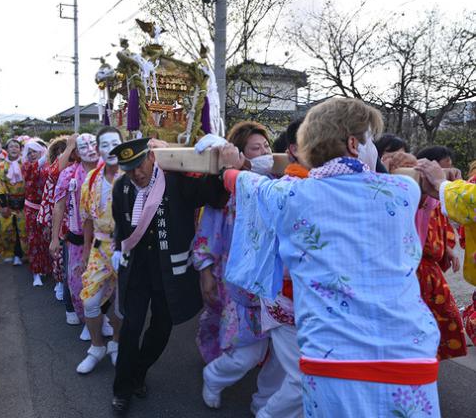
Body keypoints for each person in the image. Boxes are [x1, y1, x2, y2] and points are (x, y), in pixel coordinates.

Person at [220, 97, 441, 417]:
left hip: (331, 363)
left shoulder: (290, 194)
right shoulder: (402, 191)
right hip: (410, 358)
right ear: (353, 144)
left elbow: (239, 180)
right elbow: (390, 180)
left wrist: (229, 165)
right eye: (370, 141)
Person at [109, 137, 228, 414]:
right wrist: (117, 248)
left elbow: (214, 195)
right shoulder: (122, 188)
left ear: (152, 157)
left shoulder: (175, 181)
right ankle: (122, 389)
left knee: (162, 328)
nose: (136, 174)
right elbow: (121, 224)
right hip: (136, 270)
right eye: (129, 169)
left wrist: (216, 163)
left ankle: (138, 372)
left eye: (139, 166)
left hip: (168, 274)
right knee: (130, 328)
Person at [194, 122, 302, 417]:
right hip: (242, 285)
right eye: (256, 148)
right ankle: (214, 377)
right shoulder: (226, 193)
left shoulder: (282, 184)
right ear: (238, 154)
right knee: (247, 352)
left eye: (267, 146)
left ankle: (263, 401)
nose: (265, 152)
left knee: (282, 357)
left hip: (279, 285)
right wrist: (205, 269)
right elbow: (208, 233)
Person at [76, 127, 123, 374]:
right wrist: (85, 249)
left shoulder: (133, 175)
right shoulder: (91, 179)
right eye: (105, 144)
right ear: (99, 149)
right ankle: (97, 347)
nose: (111, 148)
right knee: (90, 301)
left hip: (128, 248)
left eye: (116, 143)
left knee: (121, 303)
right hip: (99, 247)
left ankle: (116, 344)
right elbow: (86, 219)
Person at [414, 147, 466, 359]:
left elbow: (440, 226)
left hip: (429, 268)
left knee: (444, 316)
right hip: (415, 267)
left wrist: (448, 249)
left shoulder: (436, 195)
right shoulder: (413, 190)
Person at [50, 134, 99, 334]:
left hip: (104, 237)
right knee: (77, 280)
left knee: (106, 282)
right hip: (77, 236)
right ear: (76, 152)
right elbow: (59, 206)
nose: (89, 149)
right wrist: (54, 238)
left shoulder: (109, 171)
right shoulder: (68, 174)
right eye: (83, 146)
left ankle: (100, 318)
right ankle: (87, 320)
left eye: (93, 144)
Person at [38, 136, 74, 301]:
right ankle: (60, 283)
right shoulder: (51, 170)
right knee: (59, 257)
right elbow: (47, 199)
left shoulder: (78, 168)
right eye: (60, 153)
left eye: (67, 152)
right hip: (58, 218)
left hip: (76, 219)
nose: (64, 157)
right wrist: (47, 224)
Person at [22, 138, 51, 287]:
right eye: (29, 152)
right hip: (32, 209)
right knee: (34, 240)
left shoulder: (48, 166)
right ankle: (36, 273)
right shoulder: (26, 166)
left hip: (46, 208)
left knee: (46, 240)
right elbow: (30, 174)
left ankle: (46, 268)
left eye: (35, 151)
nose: (32, 154)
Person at [0, 139, 27, 266]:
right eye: (11, 147)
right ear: (7, 149)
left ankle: (20, 254)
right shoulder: (1, 166)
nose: (14, 149)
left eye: (16, 147)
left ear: (20, 149)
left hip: (25, 202)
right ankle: (11, 253)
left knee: (23, 229)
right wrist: (4, 204)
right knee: (8, 229)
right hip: (8, 202)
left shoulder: (26, 164)